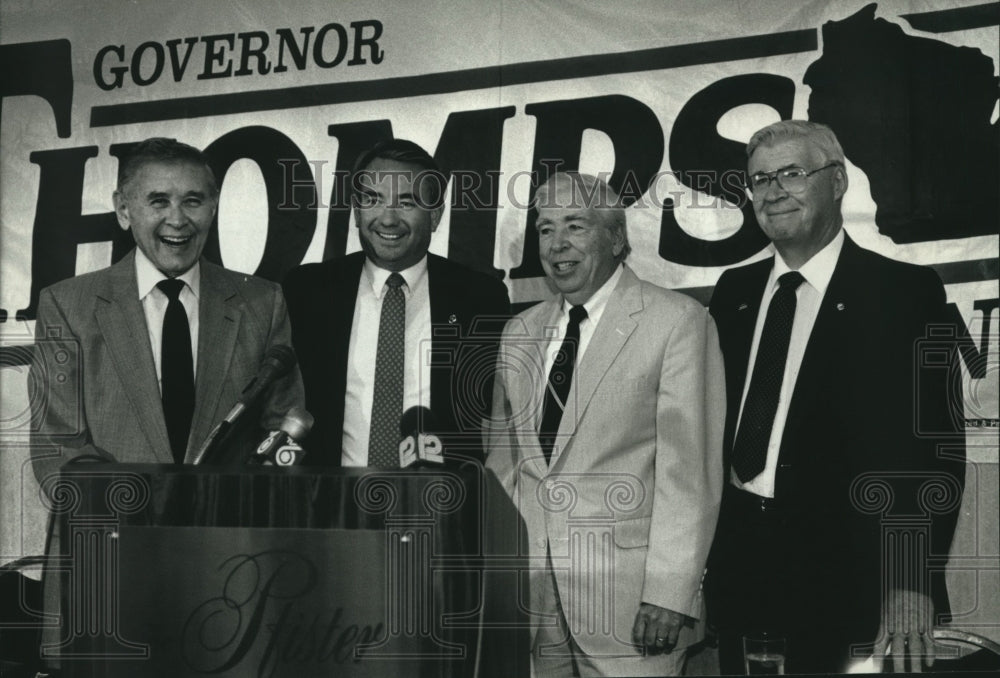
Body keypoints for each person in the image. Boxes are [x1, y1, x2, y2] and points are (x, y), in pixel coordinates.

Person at [705, 120, 965, 673]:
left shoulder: (906, 294)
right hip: (741, 573)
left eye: (792, 174)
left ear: (838, 181)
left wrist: (911, 580)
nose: (773, 191)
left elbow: (933, 452)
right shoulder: (733, 295)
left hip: (849, 581)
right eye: (759, 180)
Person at [486, 172, 725, 676]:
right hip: (531, 603)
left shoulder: (677, 321)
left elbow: (691, 473)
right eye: (545, 229)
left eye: (576, 225)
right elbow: (505, 468)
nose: (557, 245)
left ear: (616, 238)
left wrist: (670, 592)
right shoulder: (519, 332)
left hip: (633, 606)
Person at [31, 136, 305, 480]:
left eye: (193, 201)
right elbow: (58, 445)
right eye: (158, 201)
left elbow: (286, 428)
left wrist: (249, 507)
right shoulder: (67, 305)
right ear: (123, 209)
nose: (177, 219)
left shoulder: (264, 303)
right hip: (116, 530)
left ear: (213, 207)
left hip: (228, 530)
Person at [282, 139, 510, 466]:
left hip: (440, 506)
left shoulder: (480, 297)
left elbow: (499, 418)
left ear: (435, 215)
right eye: (373, 200)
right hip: (326, 504)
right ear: (357, 211)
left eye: (406, 202)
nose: (388, 219)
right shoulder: (308, 290)